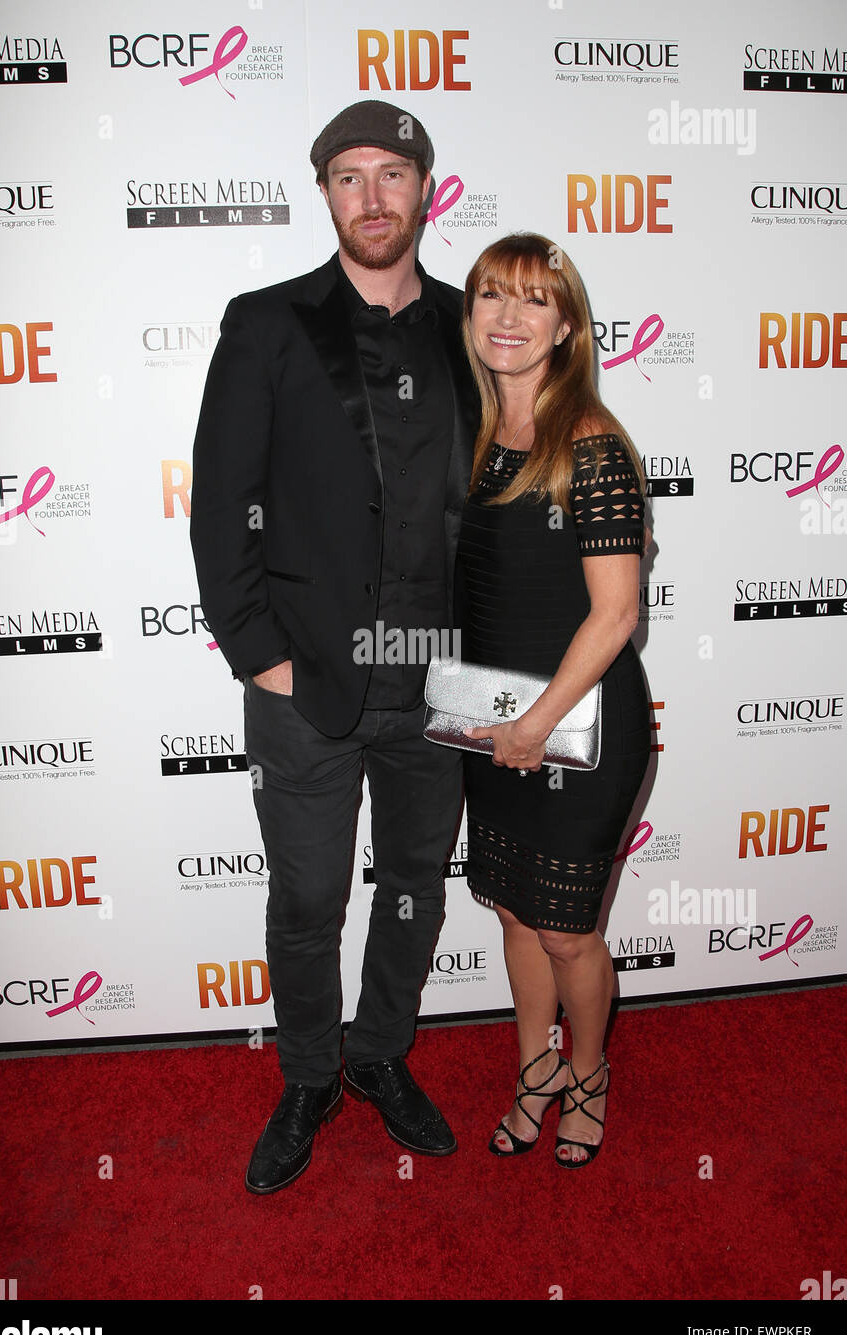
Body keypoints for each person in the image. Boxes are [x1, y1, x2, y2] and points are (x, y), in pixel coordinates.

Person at [190, 101, 479, 1194]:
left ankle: (378, 1055)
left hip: (440, 684)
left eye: (391, 174)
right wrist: (257, 654)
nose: (371, 196)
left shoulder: (471, 326)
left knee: (412, 881)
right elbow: (223, 506)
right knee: (308, 898)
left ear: (422, 190)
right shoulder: (264, 324)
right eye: (349, 176)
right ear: (324, 193)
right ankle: (307, 1074)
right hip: (306, 683)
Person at [457, 233, 650, 1167]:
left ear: (565, 323)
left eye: (534, 299)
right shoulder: (475, 434)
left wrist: (535, 725)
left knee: (569, 933)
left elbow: (614, 616)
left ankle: (589, 1072)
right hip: (491, 722)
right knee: (511, 913)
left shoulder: (594, 444)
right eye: (492, 295)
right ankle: (532, 1070)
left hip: (581, 725)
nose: (508, 316)